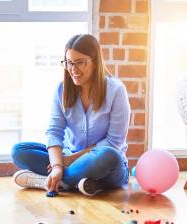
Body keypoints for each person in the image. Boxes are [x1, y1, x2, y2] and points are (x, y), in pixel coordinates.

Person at [11, 34, 130, 197]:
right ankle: (75, 182)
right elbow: (54, 132)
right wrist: (58, 165)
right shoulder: (61, 90)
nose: (73, 69)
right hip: (67, 158)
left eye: (79, 62)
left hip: (106, 166)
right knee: (19, 151)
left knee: (107, 156)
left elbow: (113, 142)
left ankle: (52, 182)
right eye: (69, 62)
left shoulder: (116, 90)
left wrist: (70, 160)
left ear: (95, 62)